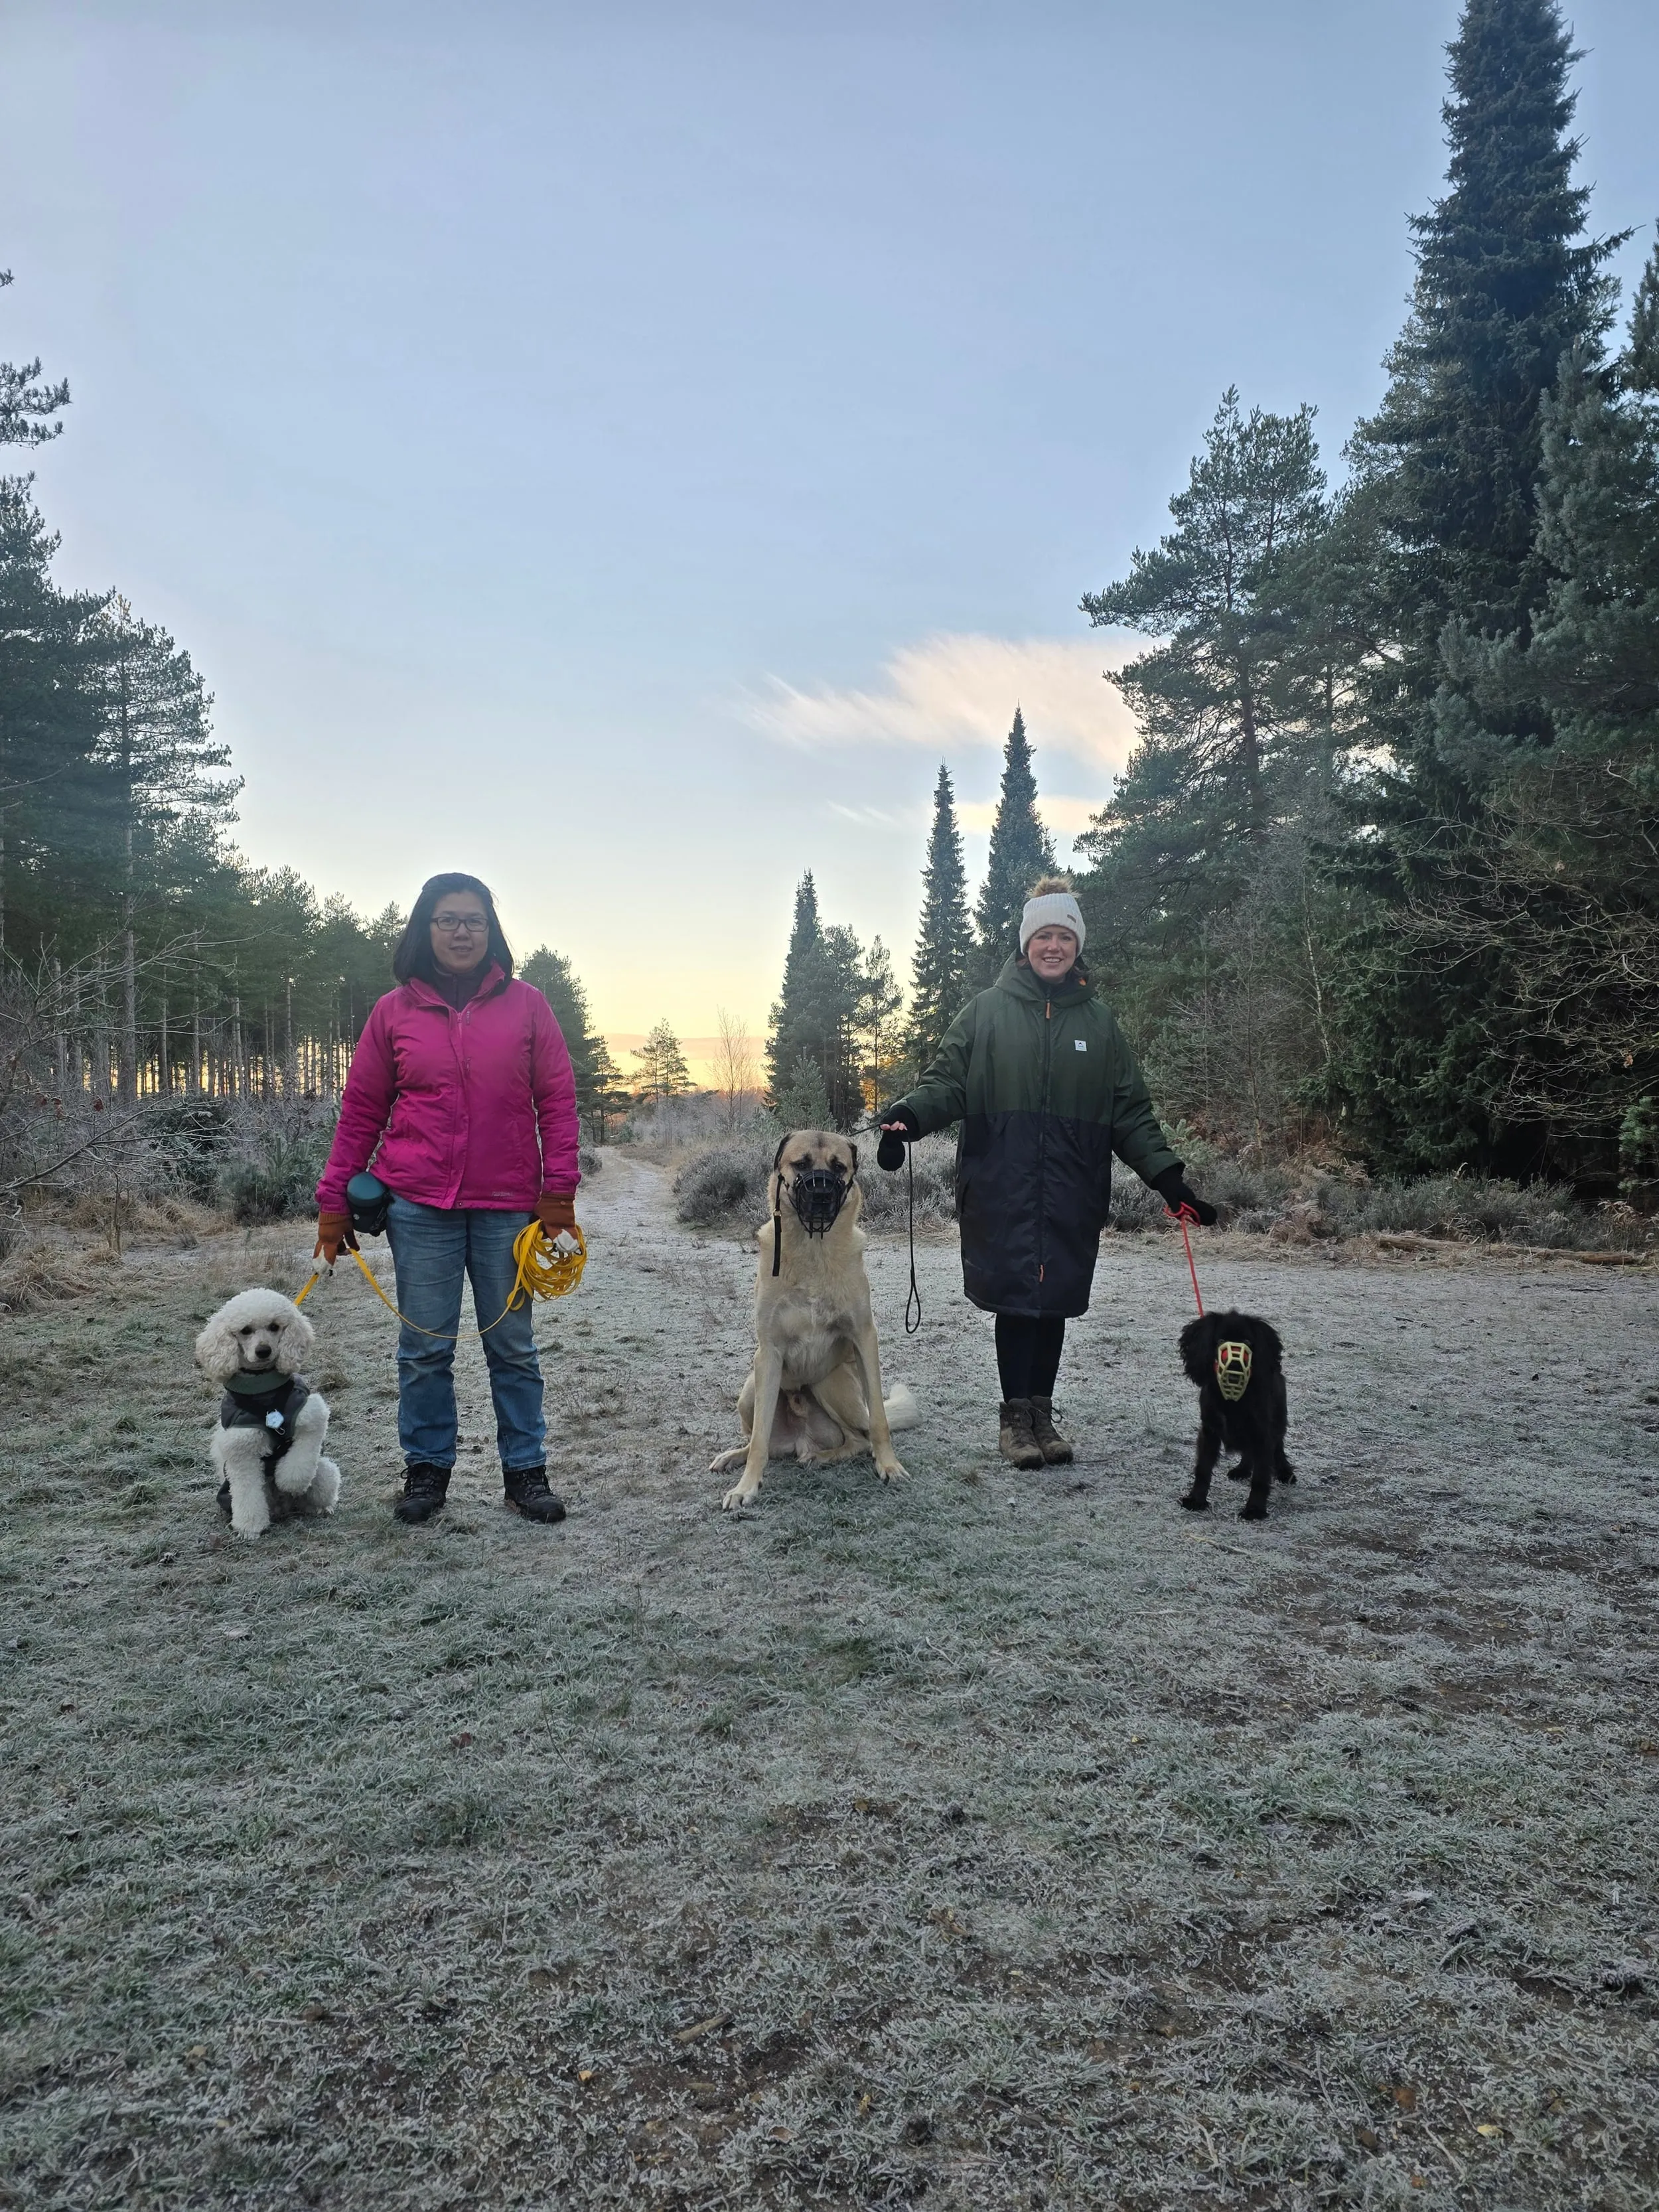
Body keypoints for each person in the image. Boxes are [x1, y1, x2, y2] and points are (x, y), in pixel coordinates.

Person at [878, 876, 1215, 1471]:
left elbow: (1129, 1112)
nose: (1053, 946)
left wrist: (1168, 1178)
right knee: (1016, 1303)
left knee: (1052, 1303)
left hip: (1071, 1187)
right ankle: (1015, 1420)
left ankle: (1043, 1414)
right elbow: (946, 1083)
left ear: (1077, 946)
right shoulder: (985, 1012)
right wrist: (909, 1116)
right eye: (1044, 936)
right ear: (1026, 943)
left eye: (1064, 936)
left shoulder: (1101, 1025)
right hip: (1002, 1184)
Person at [314, 871, 580, 1527]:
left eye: (475, 920)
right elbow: (361, 1112)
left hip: (507, 1208)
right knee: (424, 1350)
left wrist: (558, 1198)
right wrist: (332, 1204)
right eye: (448, 919)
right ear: (424, 929)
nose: (462, 931)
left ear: (491, 930)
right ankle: (426, 1472)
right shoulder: (392, 1013)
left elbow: (558, 1102)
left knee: (512, 1348)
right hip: (418, 1207)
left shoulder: (528, 1006)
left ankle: (526, 1474)